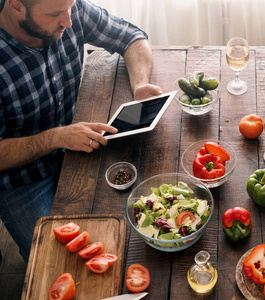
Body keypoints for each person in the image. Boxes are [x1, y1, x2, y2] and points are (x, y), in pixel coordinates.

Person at [0, 0, 162, 262]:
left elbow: (132, 37)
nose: (69, 21)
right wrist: (56, 137)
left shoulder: (68, 9)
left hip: (80, 146)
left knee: (139, 230)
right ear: (16, 5)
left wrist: (140, 85)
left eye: (70, 8)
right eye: (55, 15)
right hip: (22, 179)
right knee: (54, 262)